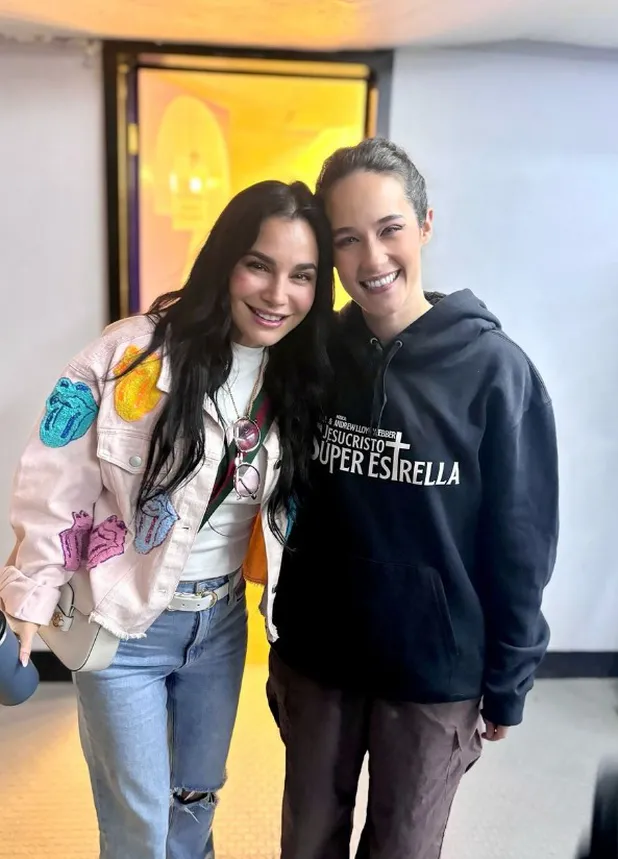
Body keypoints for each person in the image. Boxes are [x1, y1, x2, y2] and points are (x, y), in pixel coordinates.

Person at [0, 179, 334, 859]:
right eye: (260, 265)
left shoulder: (301, 374)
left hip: (221, 626)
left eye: (302, 275)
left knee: (195, 803)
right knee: (140, 826)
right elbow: (58, 474)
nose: (278, 294)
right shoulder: (135, 353)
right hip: (123, 624)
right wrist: (29, 589)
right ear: (225, 260)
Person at [267, 139, 559, 859]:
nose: (372, 258)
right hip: (319, 661)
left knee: (403, 848)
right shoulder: (314, 356)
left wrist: (510, 679)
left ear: (425, 224)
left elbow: (522, 540)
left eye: (389, 228)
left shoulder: (496, 372)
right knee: (306, 843)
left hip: (434, 675)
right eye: (347, 239)